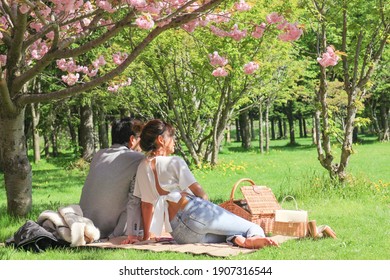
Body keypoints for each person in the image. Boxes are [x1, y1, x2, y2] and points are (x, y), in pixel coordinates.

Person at [124, 119, 278, 249]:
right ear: (161, 140)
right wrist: (211, 211)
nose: (175, 141)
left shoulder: (142, 167)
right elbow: (202, 194)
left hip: (179, 233)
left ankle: (238, 239)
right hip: (195, 212)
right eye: (172, 137)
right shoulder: (175, 161)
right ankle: (253, 237)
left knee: (225, 233)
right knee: (253, 227)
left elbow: (146, 205)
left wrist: (146, 237)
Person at [79, 118, 144, 242]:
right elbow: (134, 200)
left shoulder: (99, 155)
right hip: (110, 230)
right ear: (132, 140)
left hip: (85, 223)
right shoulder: (137, 159)